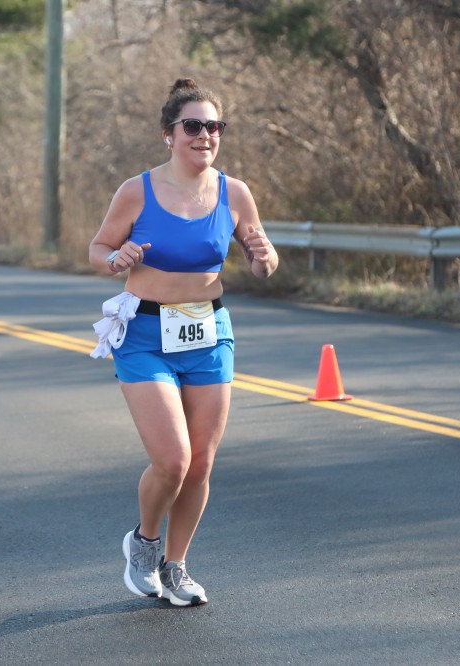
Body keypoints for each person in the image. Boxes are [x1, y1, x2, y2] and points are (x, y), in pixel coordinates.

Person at [88, 78, 278, 606]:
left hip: (208, 333)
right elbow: (98, 249)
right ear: (168, 134)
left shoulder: (235, 193)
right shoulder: (137, 190)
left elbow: (263, 261)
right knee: (173, 459)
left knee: (201, 464)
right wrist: (115, 259)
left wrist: (264, 258)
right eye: (193, 125)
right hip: (145, 334)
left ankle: (176, 567)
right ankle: (144, 544)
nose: (205, 135)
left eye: (214, 126)